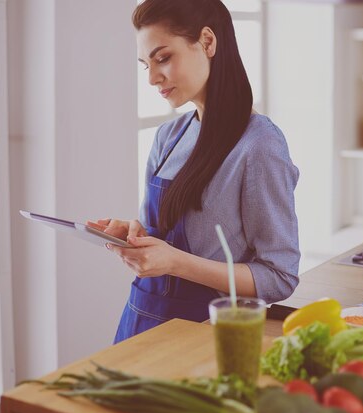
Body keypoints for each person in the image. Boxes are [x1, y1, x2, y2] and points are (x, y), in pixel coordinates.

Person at [89, 0, 300, 343]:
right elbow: (161, 242)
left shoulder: (260, 145)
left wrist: (173, 262)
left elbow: (279, 278)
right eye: (145, 65)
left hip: (208, 335)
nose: (152, 78)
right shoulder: (168, 137)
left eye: (163, 58)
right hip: (140, 320)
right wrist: (132, 235)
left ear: (207, 41)